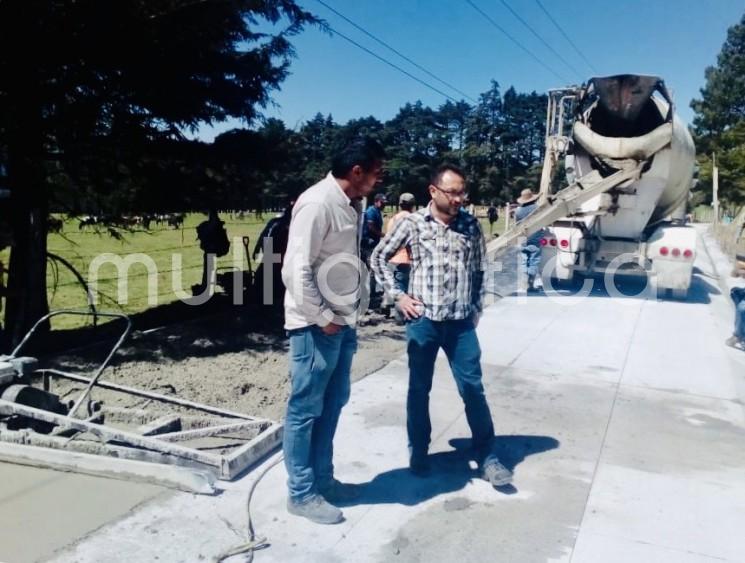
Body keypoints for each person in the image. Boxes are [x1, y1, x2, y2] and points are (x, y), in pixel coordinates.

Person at [371, 163, 513, 488]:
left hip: (461, 325)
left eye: (463, 192)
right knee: (419, 389)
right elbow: (378, 257)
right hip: (424, 322)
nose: (460, 199)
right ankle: (419, 451)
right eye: (453, 192)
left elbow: (479, 267)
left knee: (473, 389)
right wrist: (398, 296)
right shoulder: (412, 224)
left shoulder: (470, 224)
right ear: (433, 192)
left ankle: (487, 455)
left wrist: (477, 305)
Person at [281, 138, 385, 525]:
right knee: (305, 409)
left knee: (333, 401)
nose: (379, 179)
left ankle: (324, 480)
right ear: (357, 171)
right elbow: (295, 269)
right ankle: (302, 492)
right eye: (377, 171)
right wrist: (322, 316)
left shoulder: (350, 205)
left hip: (341, 322)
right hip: (315, 326)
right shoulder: (318, 202)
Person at [380, 192, 416, 320]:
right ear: (412, 205)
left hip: (391, 258)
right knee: (402, 287)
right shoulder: (413, 219)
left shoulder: (393, 219)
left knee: (391, 284)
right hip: (404, 258)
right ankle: (399, 316)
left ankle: (386, 304)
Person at [253, 200, 294, 307]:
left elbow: (263, 235)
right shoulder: (286, 225)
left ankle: (264, 299)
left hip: (271, 253)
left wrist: (257, 249)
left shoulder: (274, 221)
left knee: (264, 275)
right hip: (275, 254)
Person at [195, 209, 230, 294]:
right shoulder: (208, 226)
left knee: (208, 264)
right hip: (213, 249)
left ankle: (206, 288)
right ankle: (206, 286)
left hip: (213, 250)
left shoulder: (208, 227)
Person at [514, 188, 543, 292]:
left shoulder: (518, 210)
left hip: (522, 237)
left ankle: (523, 284)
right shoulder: (537, 208)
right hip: (535, 237)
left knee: (524, 260)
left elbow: (516, 225)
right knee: (534, 260)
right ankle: (530, 285)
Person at [361, 192, 387, 308]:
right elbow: (370, 226)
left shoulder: (377, 211)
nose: (383, 205)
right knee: (372, 270)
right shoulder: (371, 211)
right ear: (376, 201)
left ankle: (370, 293)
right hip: (368, 244)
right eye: (382, 203)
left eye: (384, 203)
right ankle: (369, 296)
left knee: (371, 270)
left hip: (373, 243)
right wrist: (382, 234)